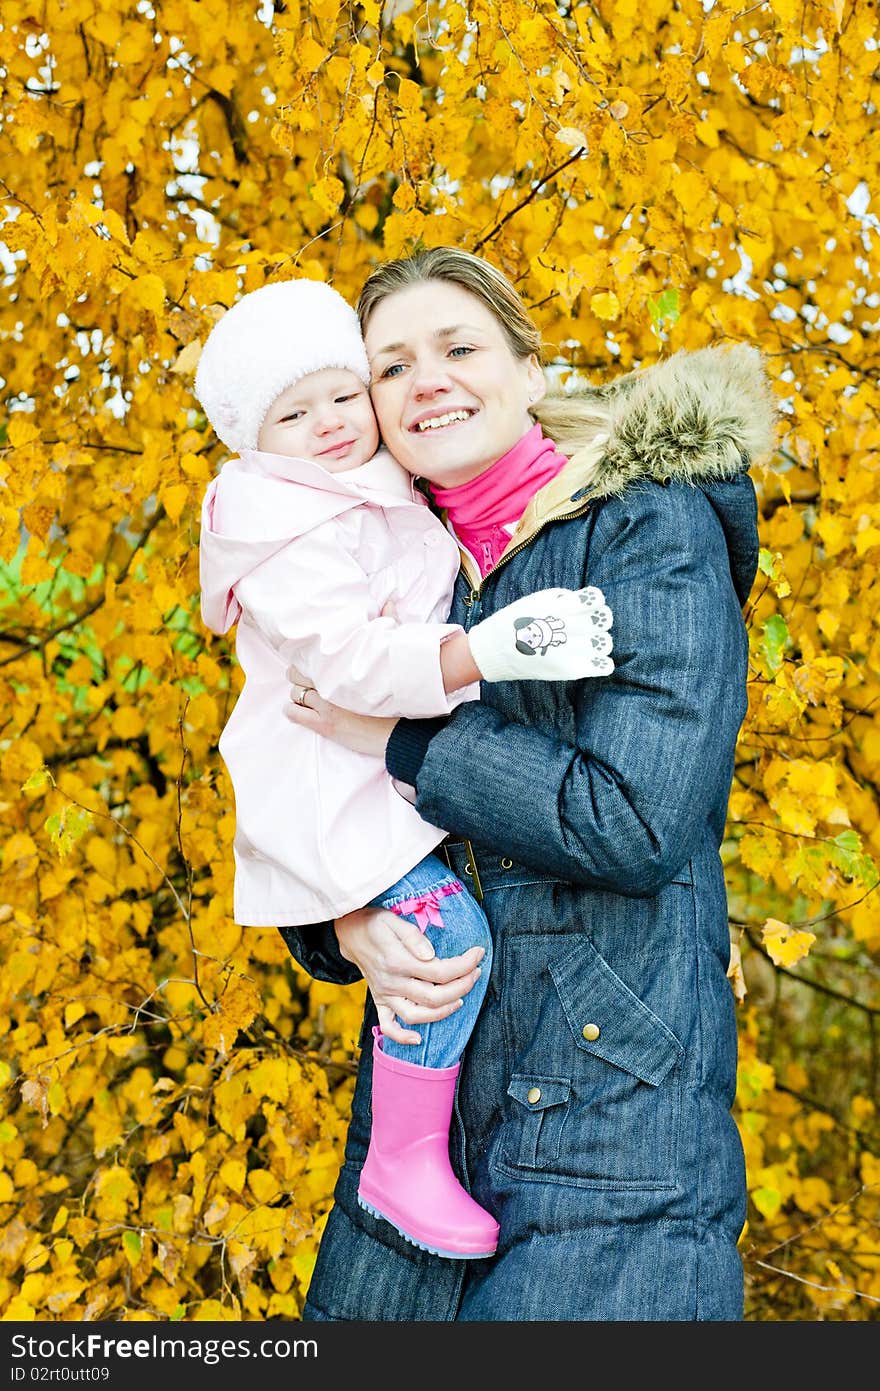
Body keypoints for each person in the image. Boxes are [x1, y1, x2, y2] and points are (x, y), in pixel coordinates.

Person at [278, 247, 778, 1322]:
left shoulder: (646, 528)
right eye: (391, 366)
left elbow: (635, 819)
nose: (428, 382)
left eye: (458, 348)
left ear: (531, 366)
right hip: (420, 1142)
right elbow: (300, 783)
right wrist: (346, 920)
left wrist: (405, 741)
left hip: (615, 1136)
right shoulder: (368, 573)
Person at [192, 278, 615, 1262]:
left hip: (382, 778)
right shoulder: (288, 523)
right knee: (442, 938)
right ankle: (403, 1156)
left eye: (343, 393)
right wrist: (477, 656)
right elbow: (342, 657)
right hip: (334, 783)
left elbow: (626, 818)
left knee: (434, 938)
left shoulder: (377, 485)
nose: (332, 423)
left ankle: (410, 1156)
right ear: (255, 441)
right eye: (293, 415)